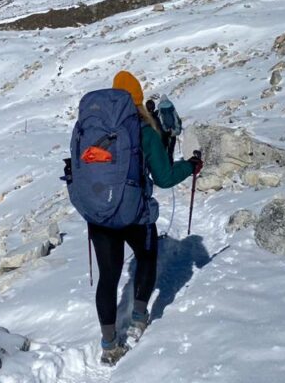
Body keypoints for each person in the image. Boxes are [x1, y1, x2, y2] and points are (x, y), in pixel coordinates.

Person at [88, 70, 202, 365]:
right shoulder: (145, 131)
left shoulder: (93, 127)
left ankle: (109, 343)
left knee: (108, 277)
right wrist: (190, 165)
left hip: (100, 215)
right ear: (138, 99)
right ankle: (139, 317)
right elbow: (163, 178)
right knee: (147, 258)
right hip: (135, 213)